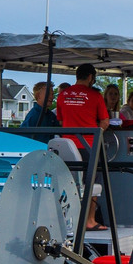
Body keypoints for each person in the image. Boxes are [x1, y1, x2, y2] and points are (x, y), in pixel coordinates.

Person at [55, 63, 110, 230]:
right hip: (89, 146)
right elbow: (105, 121)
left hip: (67, 147)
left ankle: (67, 221)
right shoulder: (95, 96)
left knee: (68, 182)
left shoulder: (63, 95)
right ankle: (89, 220)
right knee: (93, 184)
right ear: (91, 77)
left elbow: (60, 120)